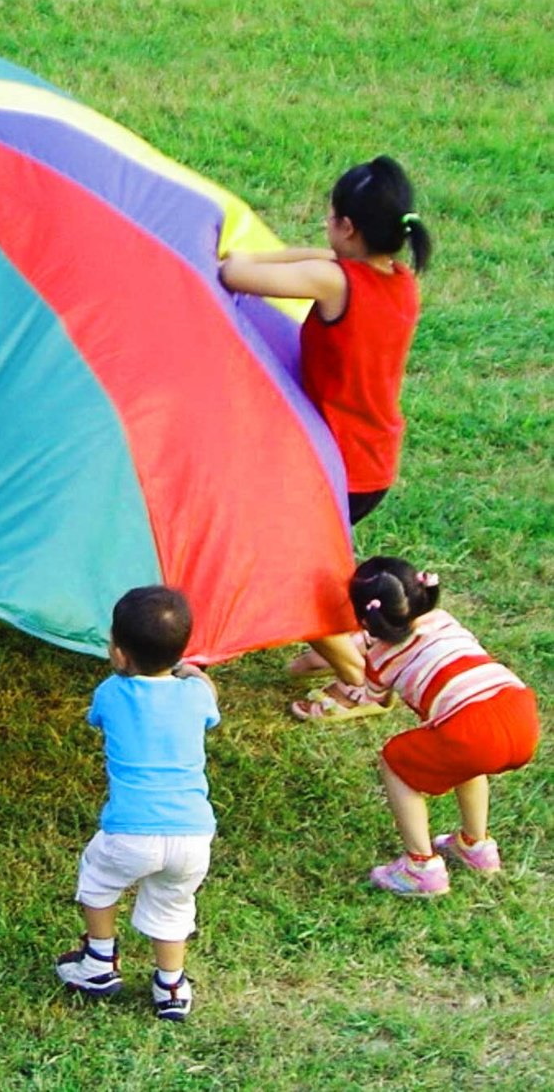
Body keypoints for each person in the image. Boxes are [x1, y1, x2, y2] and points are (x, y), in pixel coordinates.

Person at [220, 155, 433, 720]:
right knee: (323, 563)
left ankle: (362, 678)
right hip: (370, 458)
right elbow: (324, 262)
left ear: (347, 227)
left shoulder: (337, 281)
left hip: (336, 467)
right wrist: (325, 253)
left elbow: (235, 274)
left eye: (330, 216)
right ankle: (354, 632)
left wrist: (243, 256)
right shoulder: (398, 280)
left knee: (286, 572)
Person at [54, 586, 220, 1022]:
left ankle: (99, 963)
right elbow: (210, 704)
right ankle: (170, 986)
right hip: (192, 835)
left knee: (98, 879)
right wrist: (194, 673)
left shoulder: (111, 693)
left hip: (130, 830)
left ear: (121, 654)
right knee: (172, 906)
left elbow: (97, 719)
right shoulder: (196, 695)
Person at [345, 557, 540, 896]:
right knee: (467, 757)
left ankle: (421, 868)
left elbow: (372, 698)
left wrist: (355, 662)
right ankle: (475, 845)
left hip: (472, 729)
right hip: (518, 709)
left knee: (396, 762)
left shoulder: (379, 659)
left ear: (367, 619)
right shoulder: (442, 620)